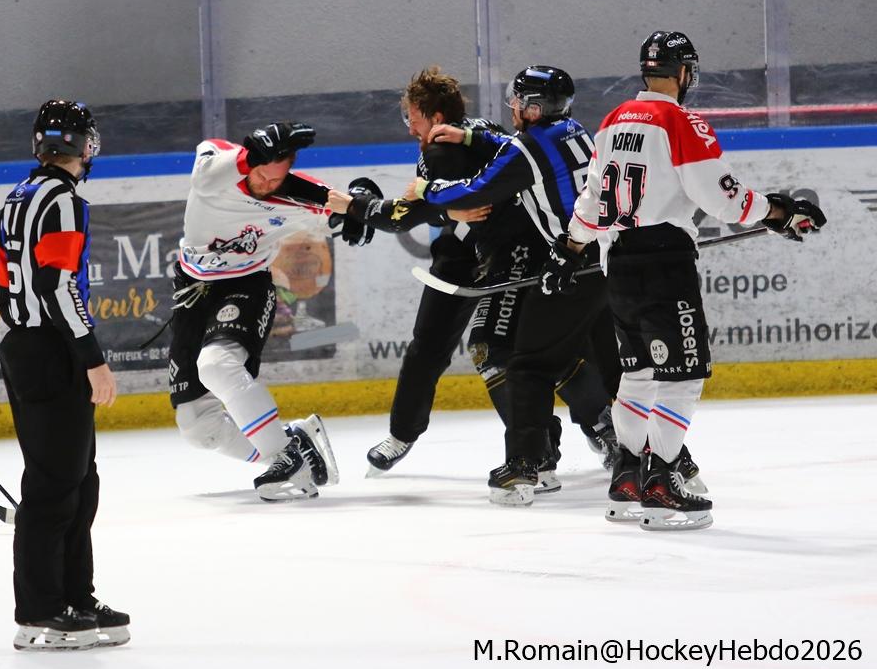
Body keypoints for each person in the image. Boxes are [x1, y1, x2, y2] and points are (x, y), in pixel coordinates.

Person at [549, 31, 825, 530]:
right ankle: (661, 485)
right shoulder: (680, 120)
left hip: (619, 261)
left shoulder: (613, 120)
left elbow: (590, 200)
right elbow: (724, 199)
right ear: (684, 73)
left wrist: (570, 247)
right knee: (684, 375)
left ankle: (627, 479)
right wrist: (778, 211)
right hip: (664, 263)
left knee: (638, 374)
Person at [339, 67, 616, 486]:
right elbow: (493, 165)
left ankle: (550, 446)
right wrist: (444, 207)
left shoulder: (446, 149)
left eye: (412, 117)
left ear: (434, 116)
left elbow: (417, 210)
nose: (409, 127)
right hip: (476, 256)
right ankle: (406, 433)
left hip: (514, 253)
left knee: (506, 348)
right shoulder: (502, 132)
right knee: (433, 345)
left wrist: (356, 206)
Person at [168, 121, 372, 502]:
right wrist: (248, 159)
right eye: (261, 173)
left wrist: (364, 207)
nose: (266, 183)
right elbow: (205, 176)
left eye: (276, 178)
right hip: (191, 292)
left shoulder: (298, 195)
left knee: (216, 366)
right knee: (197, 426)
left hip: (246, 286)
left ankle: (286, 459)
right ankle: (293, 445)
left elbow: (343, 210)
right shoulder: (217, 157)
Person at [0, 99, 130, 650]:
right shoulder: (63, 200)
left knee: (77, 481)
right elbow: (58, 285)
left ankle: (75, 595)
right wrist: (92, 358)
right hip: (51, 351)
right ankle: (40, 611)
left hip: (27, 347)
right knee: (55, 487)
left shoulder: (20, 194)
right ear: (86, 146)